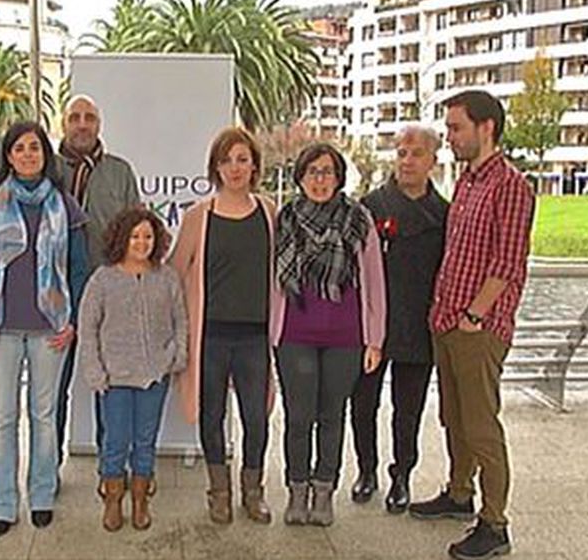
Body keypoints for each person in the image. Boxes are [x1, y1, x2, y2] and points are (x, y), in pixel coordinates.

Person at [408, 90, 535, 560]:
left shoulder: (511, 186)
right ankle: (459, 493)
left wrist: (474, 316)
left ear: (486, 128)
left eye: (456, 127)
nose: (450, 136)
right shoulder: (466, 181)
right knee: (453, 418)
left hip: (478, 328)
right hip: (448, 321)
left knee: (481, 426)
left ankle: (494, 523)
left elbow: (507, 263)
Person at [0, 121, 91, 537]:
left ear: (45, 154)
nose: (27, 155)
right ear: (7, 155)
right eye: (19, 148)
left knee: (44, 415)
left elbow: (78, 269)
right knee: (2, 419)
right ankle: (3, 503)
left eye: (34, 148)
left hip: (50, 329)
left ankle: (41, 495)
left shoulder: (64, 205)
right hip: (0, 328)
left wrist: (72, 320)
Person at [170, 126, 279, 525]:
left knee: (256, 417)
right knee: (211, 414)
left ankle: (254, 491)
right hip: (211, 337)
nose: (235, 168)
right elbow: (176, 272)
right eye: (227, 160)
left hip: (254, 336)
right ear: (216, 167)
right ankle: (219, 491)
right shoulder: (199, 217)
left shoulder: (269, 212)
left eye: (242, 159)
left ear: (254, 165)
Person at [274, 143, 385, 527]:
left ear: (339, 177)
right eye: (312, 172)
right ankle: (297, 491)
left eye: (327, 172)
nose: (320, 180)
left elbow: (374, 281)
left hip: (345, 335)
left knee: (332, 415)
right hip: (295, 333)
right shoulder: (284, 217)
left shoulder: (359, 219)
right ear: (300, 177)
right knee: (298, 416)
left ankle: (324, 492)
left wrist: (375, 340)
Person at [350, 125, 449, 513]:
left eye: (416, 154)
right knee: (362, 404)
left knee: (408, 409)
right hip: (372, 324)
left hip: (418, 324)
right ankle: (366, 470)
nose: (407, 161)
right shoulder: (370, 206)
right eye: (402, 153)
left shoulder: (444, 214)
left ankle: (402, 475)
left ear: (432, 162)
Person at [77, 206, 188, 532]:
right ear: (122, 239)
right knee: (116, 441)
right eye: (135, 236)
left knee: (145, 439)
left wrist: (176, 356)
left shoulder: (166, 277)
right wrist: (95, 372)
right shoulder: (103, 279)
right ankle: (113, 500)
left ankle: (140, 500)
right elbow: (88, 327)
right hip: (114, 378)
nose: (142, 243)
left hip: (154, 376)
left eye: (148, 236)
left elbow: (180, 319)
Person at [55, 95, 142, 469]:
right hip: (55, 295)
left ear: (99, 125)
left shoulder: (120, 172)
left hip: (108, 295)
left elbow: (136, 232)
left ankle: (111, 467)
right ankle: (48, 466)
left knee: (108, 386)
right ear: (64, 124)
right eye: (75, 117)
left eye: (89, 117)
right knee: (52, 389)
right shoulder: (45, 169)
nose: (82, 124)